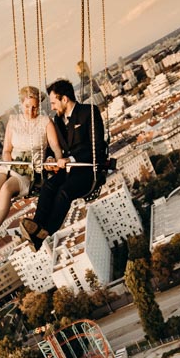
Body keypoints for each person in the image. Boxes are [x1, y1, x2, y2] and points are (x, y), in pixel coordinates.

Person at [18, 78, 105, 250]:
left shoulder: (89, 112)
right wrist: (50, 159)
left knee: (64, 192)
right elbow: (54, 146)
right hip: (68, 171)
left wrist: (71, 160)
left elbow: (96, 146)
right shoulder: (58, 121)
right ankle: (36, 229)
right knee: (49, 186)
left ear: (64, 99)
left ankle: (45, 231)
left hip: (89, 170)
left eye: (53, 102)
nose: (52, 107)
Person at [0, 86, 59, 240]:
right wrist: (9, 163)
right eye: (27, 106)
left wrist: (55, 159)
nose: (31, 111)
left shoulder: (45, 122)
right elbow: (7, 150)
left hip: (30, 169)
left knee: (7, 188)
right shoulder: (13, 121)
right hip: (11, 163)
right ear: (22, 104)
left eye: (35, 107)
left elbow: (55, 147)